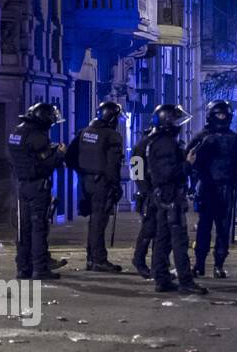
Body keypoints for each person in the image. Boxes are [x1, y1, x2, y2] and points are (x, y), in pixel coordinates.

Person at [146, 104, 206, 295]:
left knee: (162, 240)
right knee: (179, 241)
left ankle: (162, 278)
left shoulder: (158, 141)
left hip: (163, 196)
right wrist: (187, 164)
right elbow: (169, 173)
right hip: (170, 196)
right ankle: (185, 281)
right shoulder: (165, 145)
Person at [187, 100, 237, 279]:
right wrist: (191, 185)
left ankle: (219, 264)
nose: (221, 118)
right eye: (218, 114)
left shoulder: (235, 139)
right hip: (207, 187)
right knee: (204, 228)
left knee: (223, 229)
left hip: (226, 188)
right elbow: (190, 161)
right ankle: (199, 264)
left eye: (223, 115)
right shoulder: (202, 137)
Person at [7, 102, 66, 281]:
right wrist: (59, 154)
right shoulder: (38, 136)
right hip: (37, 186)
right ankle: (40, 268)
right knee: (38, 227)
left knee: (23, 229)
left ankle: (23, 268)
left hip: (21, 185)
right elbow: (45, 165)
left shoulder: (16, 132)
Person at [66, 100, 124, 273]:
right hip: (102, 183)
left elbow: (70, 157)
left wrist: (83, 173)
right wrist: (116, 185)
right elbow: (113, 165)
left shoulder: (84, 132)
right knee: (99, 221)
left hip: (85, 182)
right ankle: (98, 259)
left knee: (94, 222)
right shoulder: (112, 136)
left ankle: (92, 258)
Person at [130, 122, 159, 279]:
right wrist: (145, 190)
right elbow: (136, 169)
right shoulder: (143, 146)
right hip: (149, 194)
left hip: (156, 192)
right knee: (148, 229)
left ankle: (158, 263)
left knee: (159, 230)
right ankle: (139, 259)